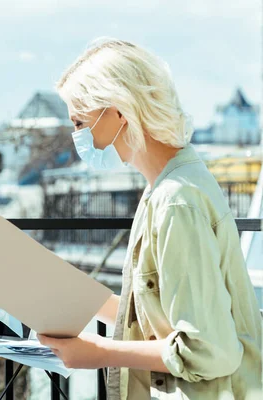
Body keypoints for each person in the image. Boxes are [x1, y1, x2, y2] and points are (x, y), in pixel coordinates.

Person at [37, 38, 262, 399]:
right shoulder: (167, 186)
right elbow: (156, 319)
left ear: (118, 111)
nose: (76, 136)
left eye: (79, 121)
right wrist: (69, 294)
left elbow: (208, 351)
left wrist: (98, 354)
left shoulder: (176, 200)